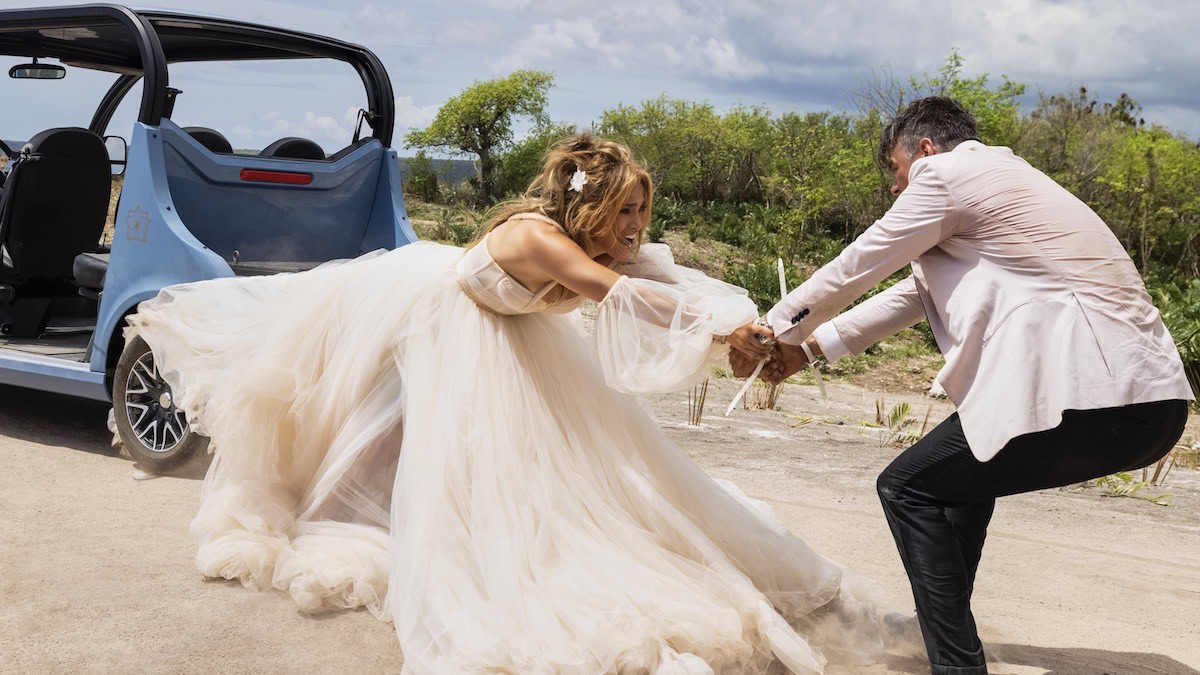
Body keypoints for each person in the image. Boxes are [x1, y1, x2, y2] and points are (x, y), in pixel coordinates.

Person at [129, 134, 895, 674]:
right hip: (433, 319)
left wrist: (759, 333)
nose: (635, 226)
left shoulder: (611, 244)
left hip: (507, 335)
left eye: (640, 211)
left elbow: (667, 284)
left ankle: (353, 507)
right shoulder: (537, 238)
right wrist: (726, 327)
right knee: (389, 435)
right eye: (625, 210)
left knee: (514, 465)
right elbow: (618, 296)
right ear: (589, 204)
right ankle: (318, 514)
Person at [734, 96, 1194, 675]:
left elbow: (862, 261)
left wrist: (766, 330)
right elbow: (911, 295)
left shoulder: (950, 175)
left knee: (907, 487)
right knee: (959, 485)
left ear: (924, 149)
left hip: (1092, 393)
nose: (897, 190)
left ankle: (956, 664)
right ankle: (942, 634)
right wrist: (811, 348)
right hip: (1149, 403)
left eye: (896, 173)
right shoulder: (1008, 186)